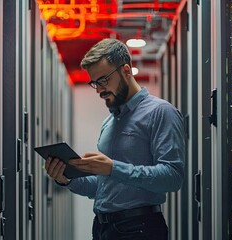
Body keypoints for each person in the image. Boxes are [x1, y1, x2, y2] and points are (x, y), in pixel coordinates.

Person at [45, 38, 185, 240]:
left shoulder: (161, 112)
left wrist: (112, 168)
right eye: (95, 83)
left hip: (140, 229)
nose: (100, 90)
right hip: (103, 228)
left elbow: (172, 177)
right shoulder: (109, 122)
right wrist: (66, 179)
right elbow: (101, 187)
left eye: (104, 80)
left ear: (126, 71)